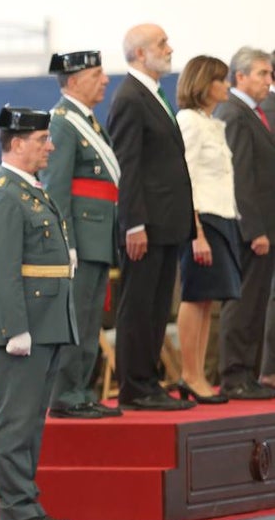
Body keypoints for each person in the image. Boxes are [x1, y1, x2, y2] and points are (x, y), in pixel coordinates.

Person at [0, 107, 77, 520]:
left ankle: (26, 501)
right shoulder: (5, 194)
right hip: (25, 324)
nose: (50, 147)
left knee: (32, 417)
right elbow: (1, 269)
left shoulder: (28, 189)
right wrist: (15, 327)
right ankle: (17, 507)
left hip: (46, 320)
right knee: (16, 419)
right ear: (17, 144)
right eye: (42, 140)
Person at [106, 24, 196, 410]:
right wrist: (134, 224)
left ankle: (149, 381)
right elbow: (127, 166)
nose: (170, 48)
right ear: (140, 53)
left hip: (166, 221)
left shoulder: (154, 95)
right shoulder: (130, 97)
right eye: (162, 43)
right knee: (139, 305)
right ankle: (135, 386)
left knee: (158, 306)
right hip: (146, 224)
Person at [44, 50, 124, 419]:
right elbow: (57, 189)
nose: (105, 80)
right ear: (74, 81)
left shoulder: (87, 121)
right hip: (80, 236)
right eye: (96, 75)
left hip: (98, 235)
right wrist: (67, 243)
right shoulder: (63, 122)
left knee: (90, 319)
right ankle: (66, 394)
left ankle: (82, 389)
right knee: (76, 316)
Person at [174, 56, 241, 403]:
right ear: (204, 84)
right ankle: (189, 373)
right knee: (195, 295)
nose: (227, 85)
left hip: (222, 216)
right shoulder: (189, 121)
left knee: (207, 299)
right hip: (203, 219)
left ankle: (198, 373)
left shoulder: (212, 123)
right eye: (221, 80)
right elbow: (185, 176)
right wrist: (195, 230)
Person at [214, 47, 275, 400]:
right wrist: (255, 229)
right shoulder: (234, 113)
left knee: (256, 304)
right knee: (243, 303)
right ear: (240, 76)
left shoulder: (251, 113)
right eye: (262, 74)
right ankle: (234, 375)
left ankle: (248, 374)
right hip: (250, 228)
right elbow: (240, 178)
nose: (269, 80)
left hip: (263, 226)